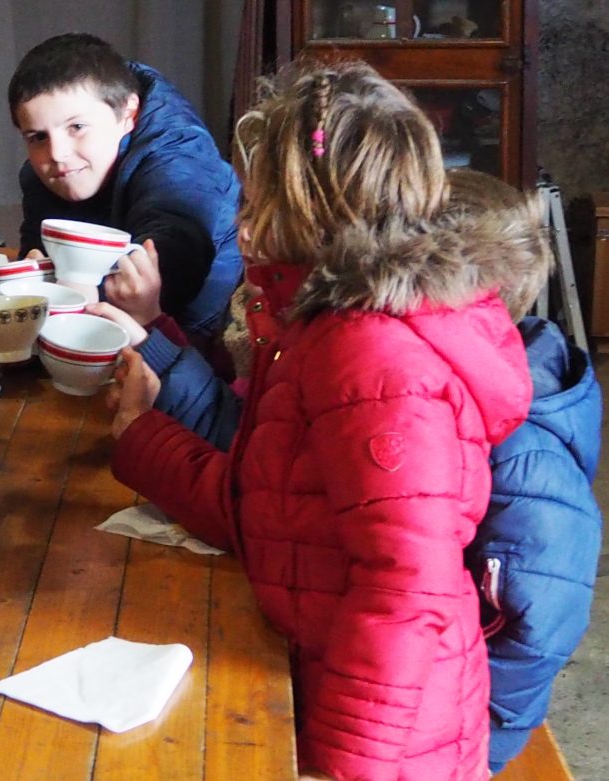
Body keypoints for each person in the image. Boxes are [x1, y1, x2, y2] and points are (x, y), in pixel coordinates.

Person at [108, 61, 533, 780]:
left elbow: (408, 591)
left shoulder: (372, 352)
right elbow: (271, 510)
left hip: (385, 742)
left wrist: (345, 767)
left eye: (258, 196)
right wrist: (142, 435)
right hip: (323, 689)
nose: (243, 219)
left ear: (309, 205)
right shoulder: (319, 326)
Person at [447, 171, 603, 774]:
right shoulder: (470, 389)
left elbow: (539, 628)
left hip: (464, 736)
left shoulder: (523, 455)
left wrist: (470, 753)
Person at [7, 32, 241, 340]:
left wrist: (72, 293)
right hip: (105, 337)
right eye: (38, 136)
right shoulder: (43, 172)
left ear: (129, 114)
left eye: (77, 127)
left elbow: (170, 259)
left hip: (205, 346)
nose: (57, 153)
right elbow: (36, 254)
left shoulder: (179, 155)